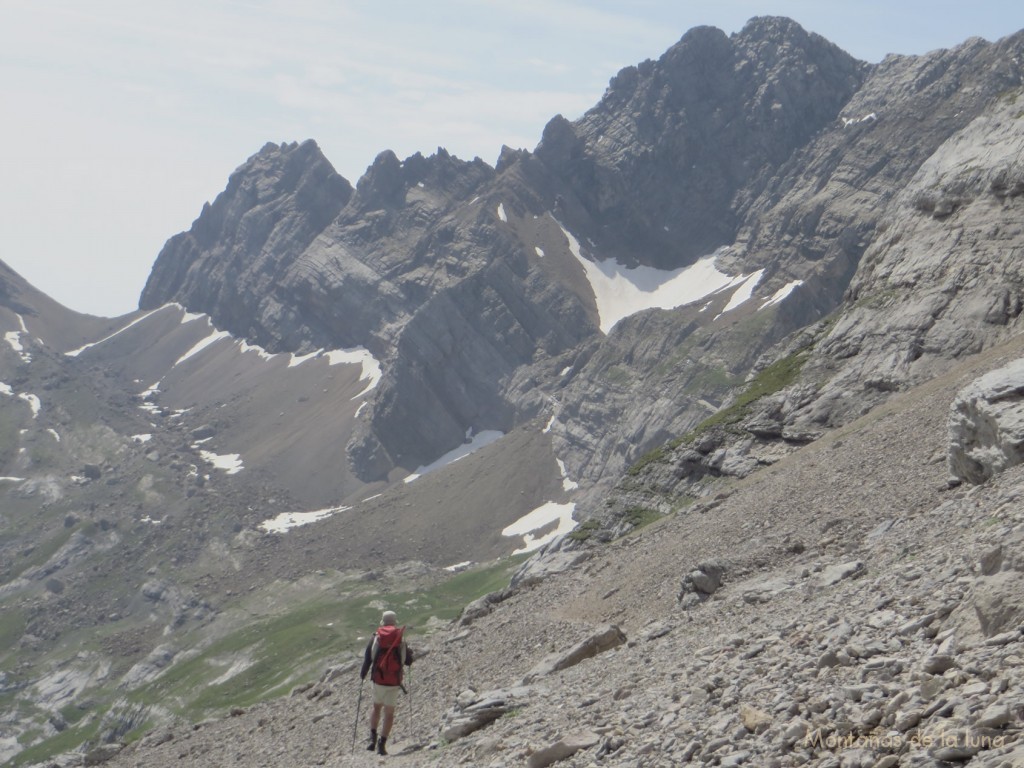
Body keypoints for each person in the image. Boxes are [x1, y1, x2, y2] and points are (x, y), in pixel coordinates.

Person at [360, 610, 413, 755]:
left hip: (378, 680)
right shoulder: (400, 638)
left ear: (383, 622)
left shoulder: (376, 637)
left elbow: (367, 660)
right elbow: (408, 661)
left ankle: (372, 738)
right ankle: (382, 745)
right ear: (394, 622)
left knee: (376, 708)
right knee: (389, 714)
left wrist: (363, 674)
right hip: (394, 682)